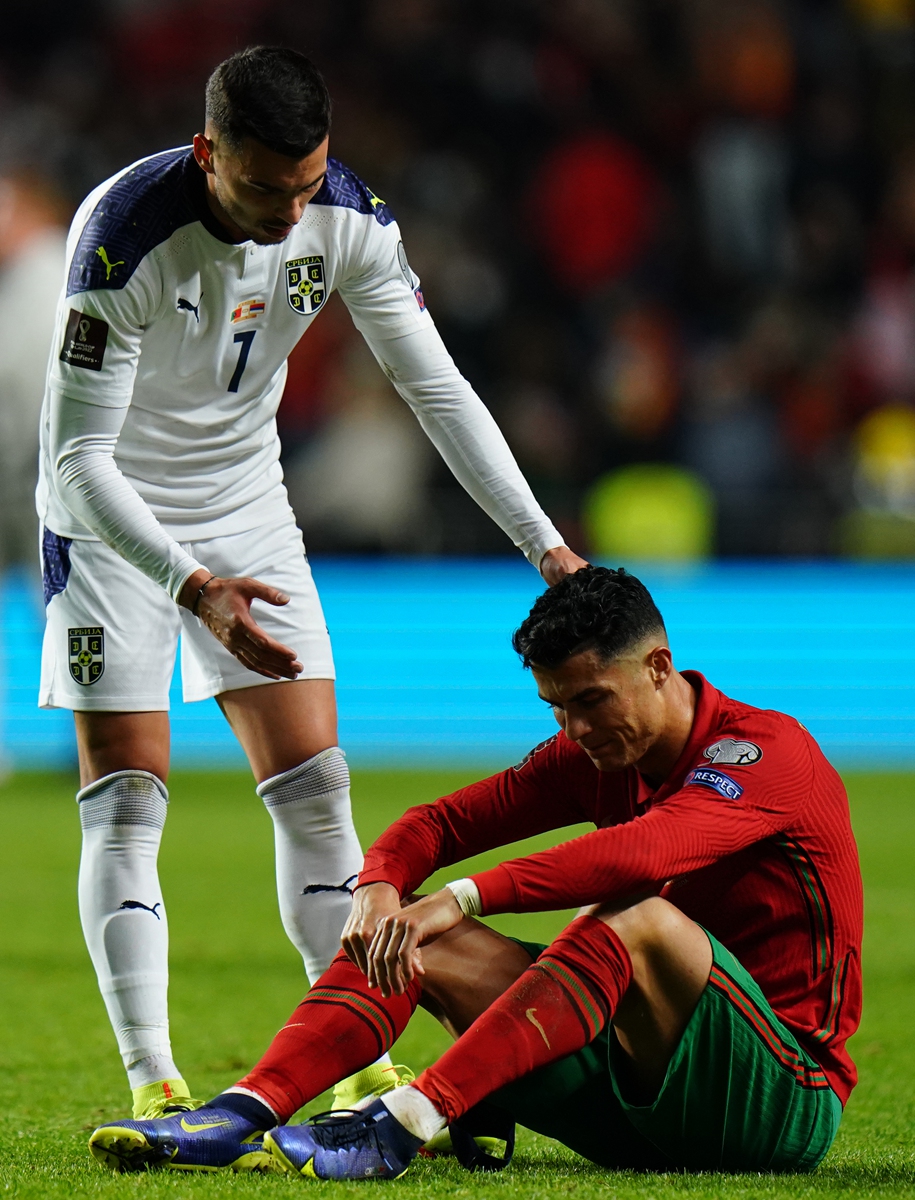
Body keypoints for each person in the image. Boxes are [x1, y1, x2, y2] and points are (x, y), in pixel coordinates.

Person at [39, 45, 585, 1121]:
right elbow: (77, 462)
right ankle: (154, 1079)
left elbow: (438, 391)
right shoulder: (121, 239)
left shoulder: (347, 219)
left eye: (307, 182)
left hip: (244, 496)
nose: (292, 211)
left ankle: (358, 1050)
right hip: (111, 518)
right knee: (128, 799)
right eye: (263, 187)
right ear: (208, 154)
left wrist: (547, 548)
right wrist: (193, 588)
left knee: (316, 786)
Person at [87, 566, 862, 1177]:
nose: (577, 729)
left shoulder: (762, 754)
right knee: (407, 924)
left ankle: (412, 1117)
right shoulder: (593, 752)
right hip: (633, 1103)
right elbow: (437, 824)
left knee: (637, 918)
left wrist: (462, 897)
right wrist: (382, 888)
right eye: (557, 709)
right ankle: (243, 1111)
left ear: (658, 666)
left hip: (776, 1100)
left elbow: (642, 854)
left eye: (591, 700)